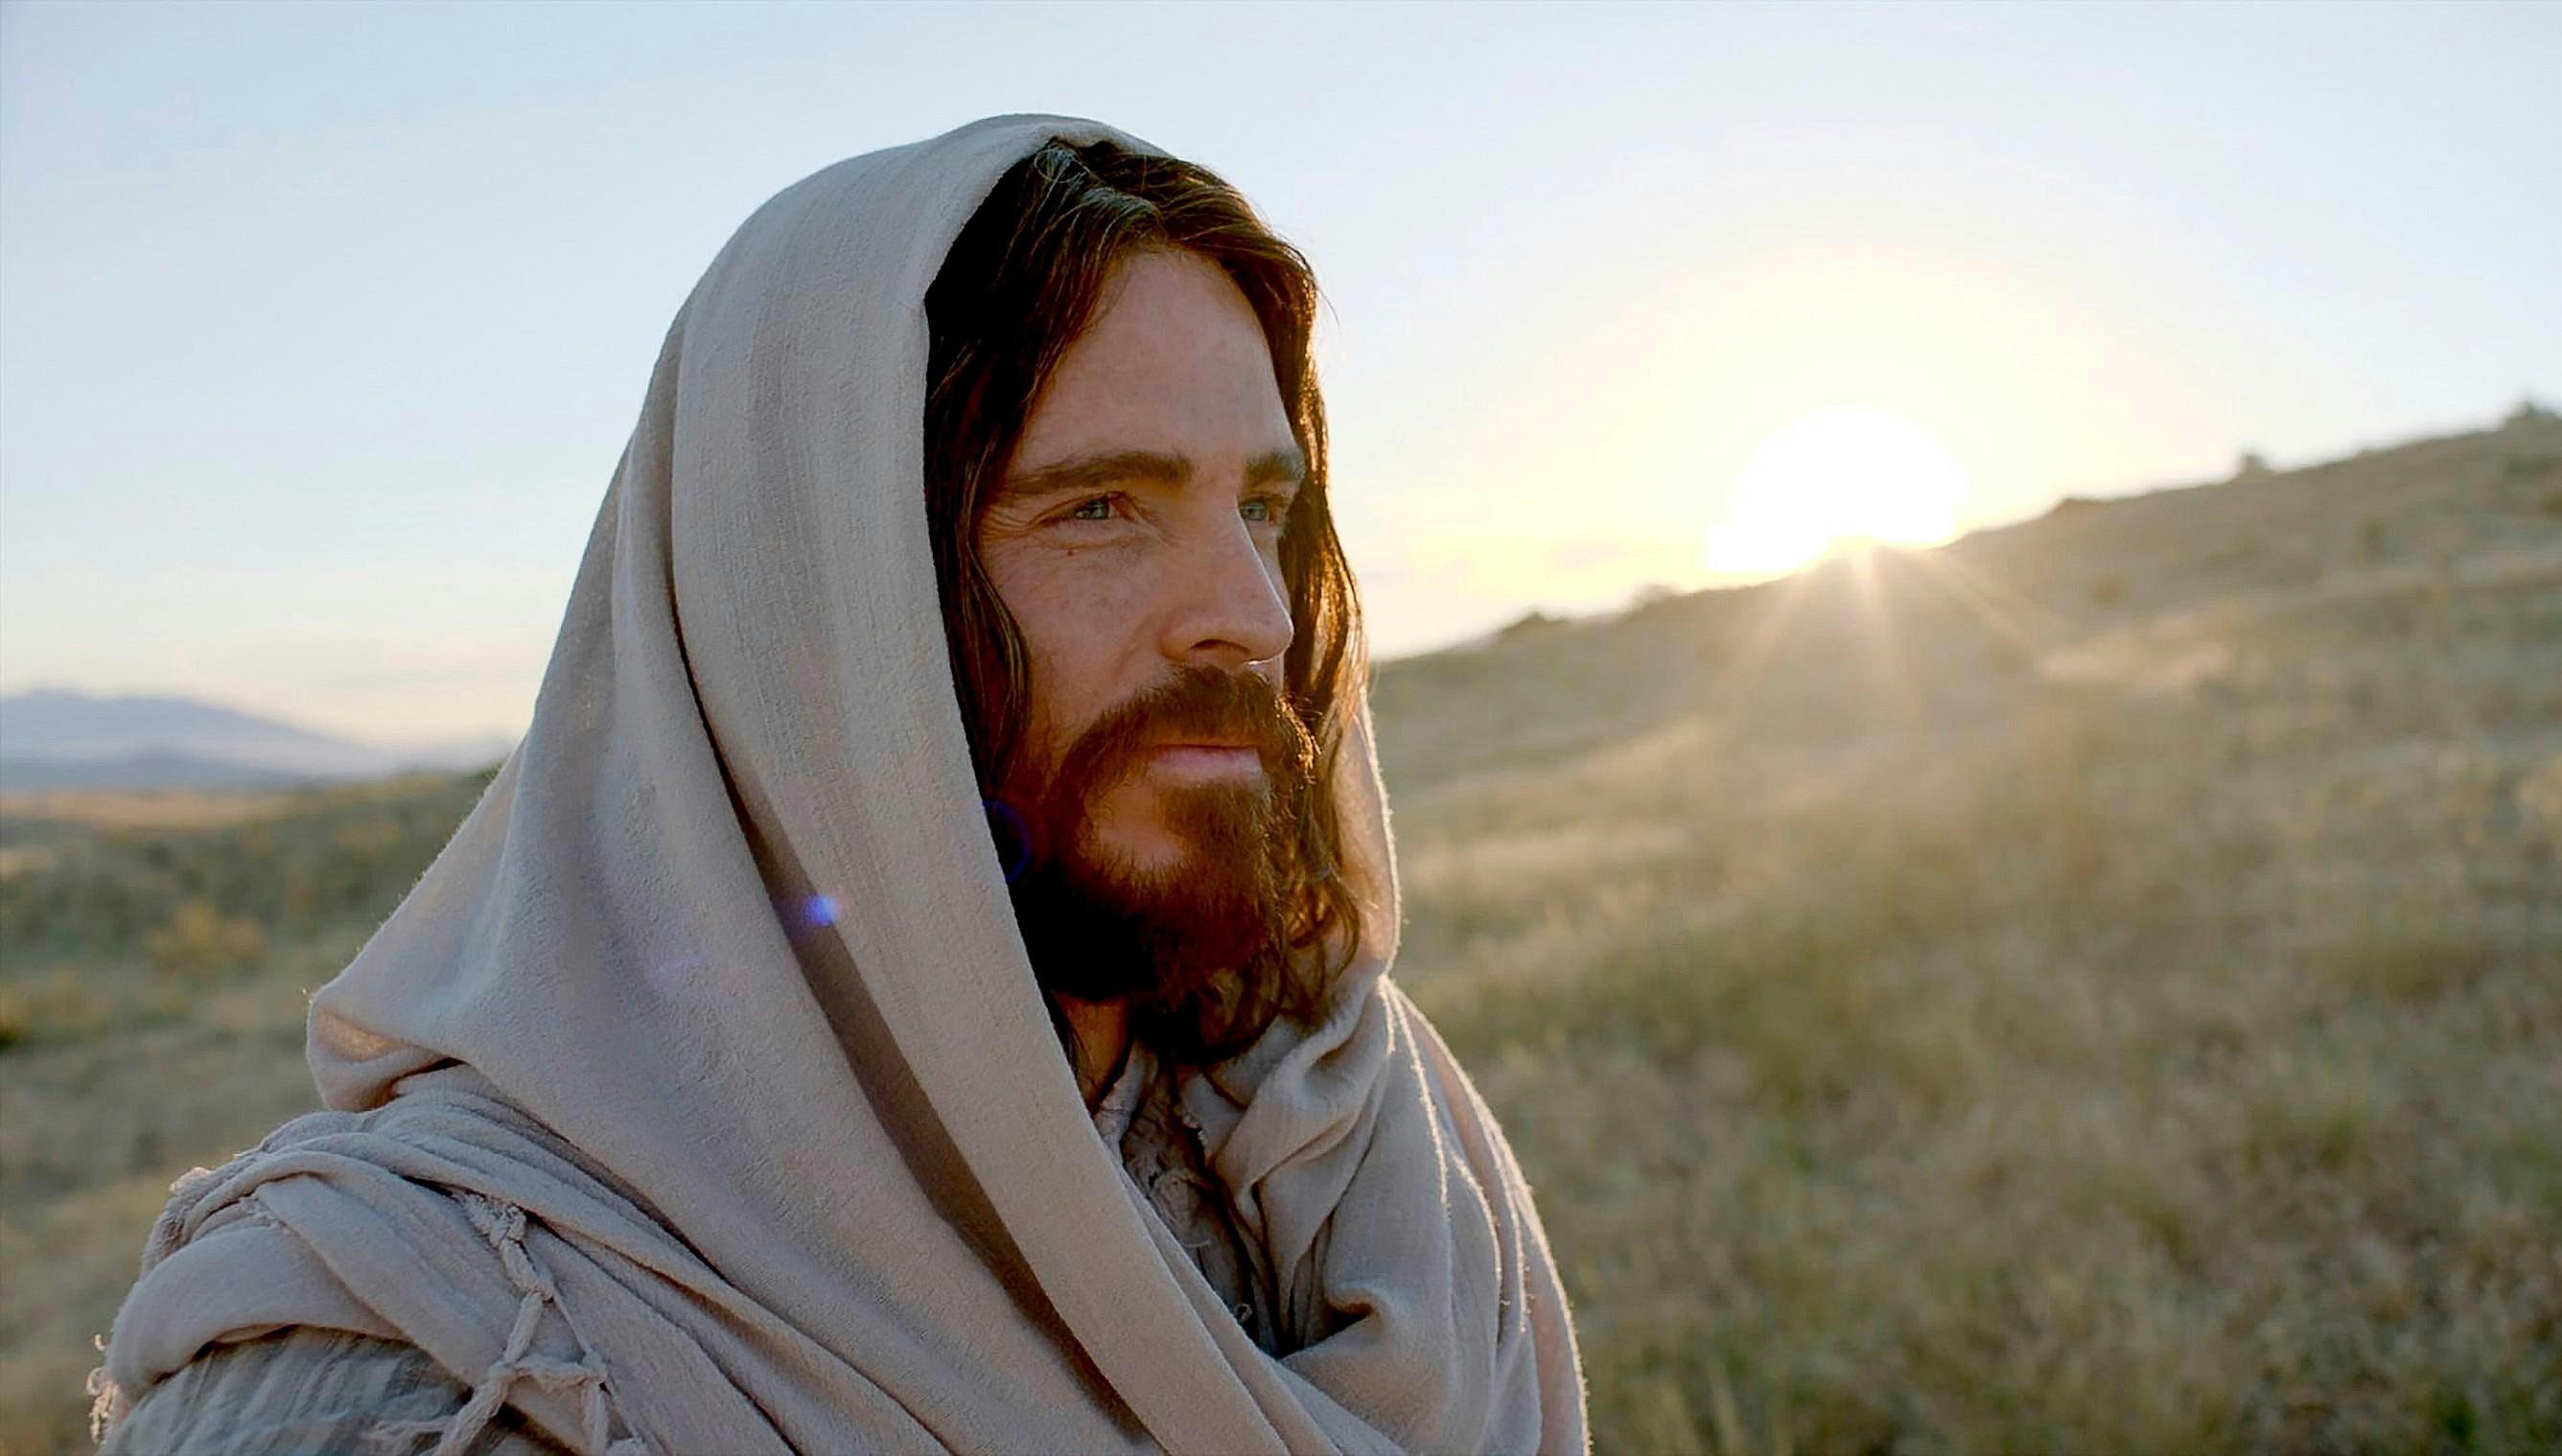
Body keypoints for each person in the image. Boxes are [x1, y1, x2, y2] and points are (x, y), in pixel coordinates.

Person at [90, 115, 1587, 1455]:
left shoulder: (1355, 1145)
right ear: (806, 614)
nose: (1250, 616)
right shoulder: (439, 1362)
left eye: (1260, 506)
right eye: (1099, 509)